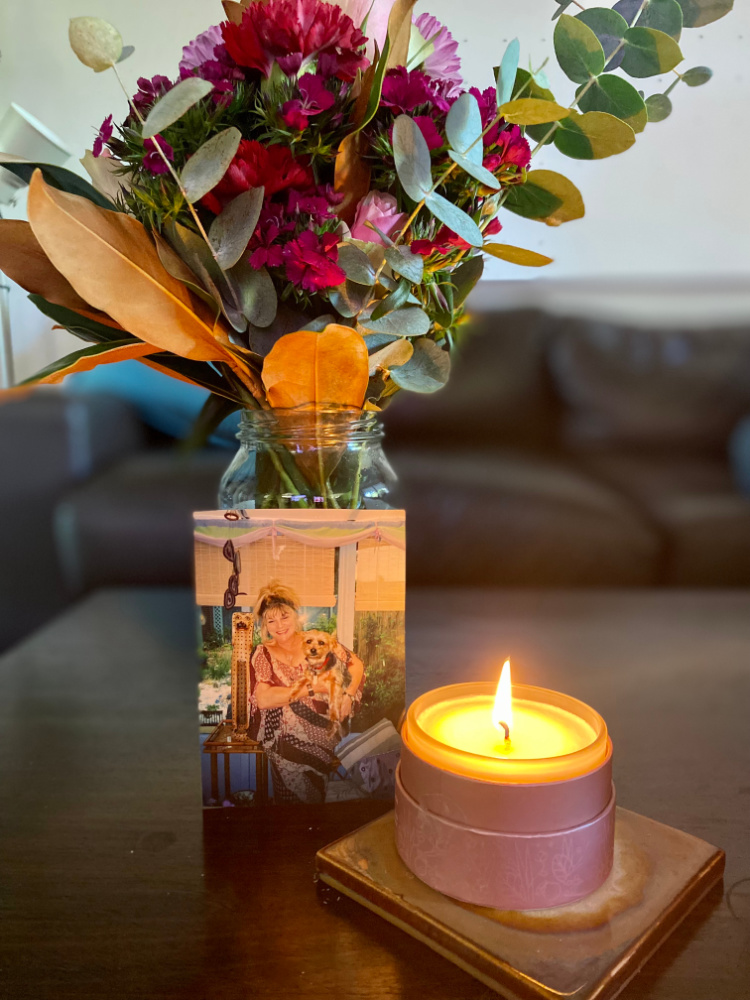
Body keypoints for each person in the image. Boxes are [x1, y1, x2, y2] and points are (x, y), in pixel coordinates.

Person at [250, 581, 364, 804]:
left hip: (322, 734)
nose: (279, 625)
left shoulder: (317, 640)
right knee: (291, 803)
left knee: (311, 798)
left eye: (285, 617)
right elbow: (263, 700)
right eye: (271, 620)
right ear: (265, 624)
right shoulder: (263, 653)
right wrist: (312, 688)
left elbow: (356, 665)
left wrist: (349, 695)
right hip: (282, 742)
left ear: (295, 615)